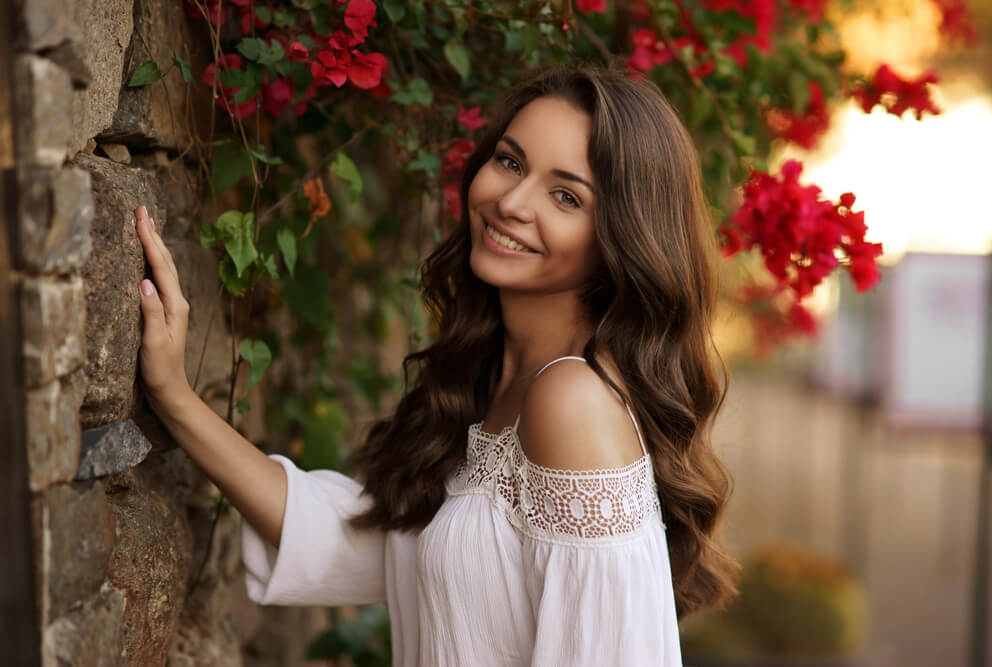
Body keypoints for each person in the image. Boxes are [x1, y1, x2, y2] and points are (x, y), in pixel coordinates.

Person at [135, 63, 738, 666]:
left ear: (620, 238)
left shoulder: (572, 401)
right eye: (509, 162)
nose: (511, 202)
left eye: (565, 196)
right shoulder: (489, 377)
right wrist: (175, 396)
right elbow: (367, 539)